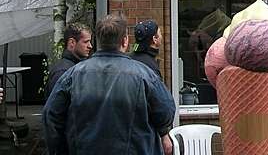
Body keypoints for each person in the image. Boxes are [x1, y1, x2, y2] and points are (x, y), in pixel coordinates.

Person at [42, 14, 175, 155]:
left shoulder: (72, 75)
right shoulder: (144, 75)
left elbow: (50, 116)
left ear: (99, 41)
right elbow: (166, 113)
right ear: (125, 41)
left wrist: (61, 150)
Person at [45, 23, 92, 98]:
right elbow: (56, 107)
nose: (90, 46)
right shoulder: (62, 72)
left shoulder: (75, 67)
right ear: (72, 42)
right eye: (86, 42)